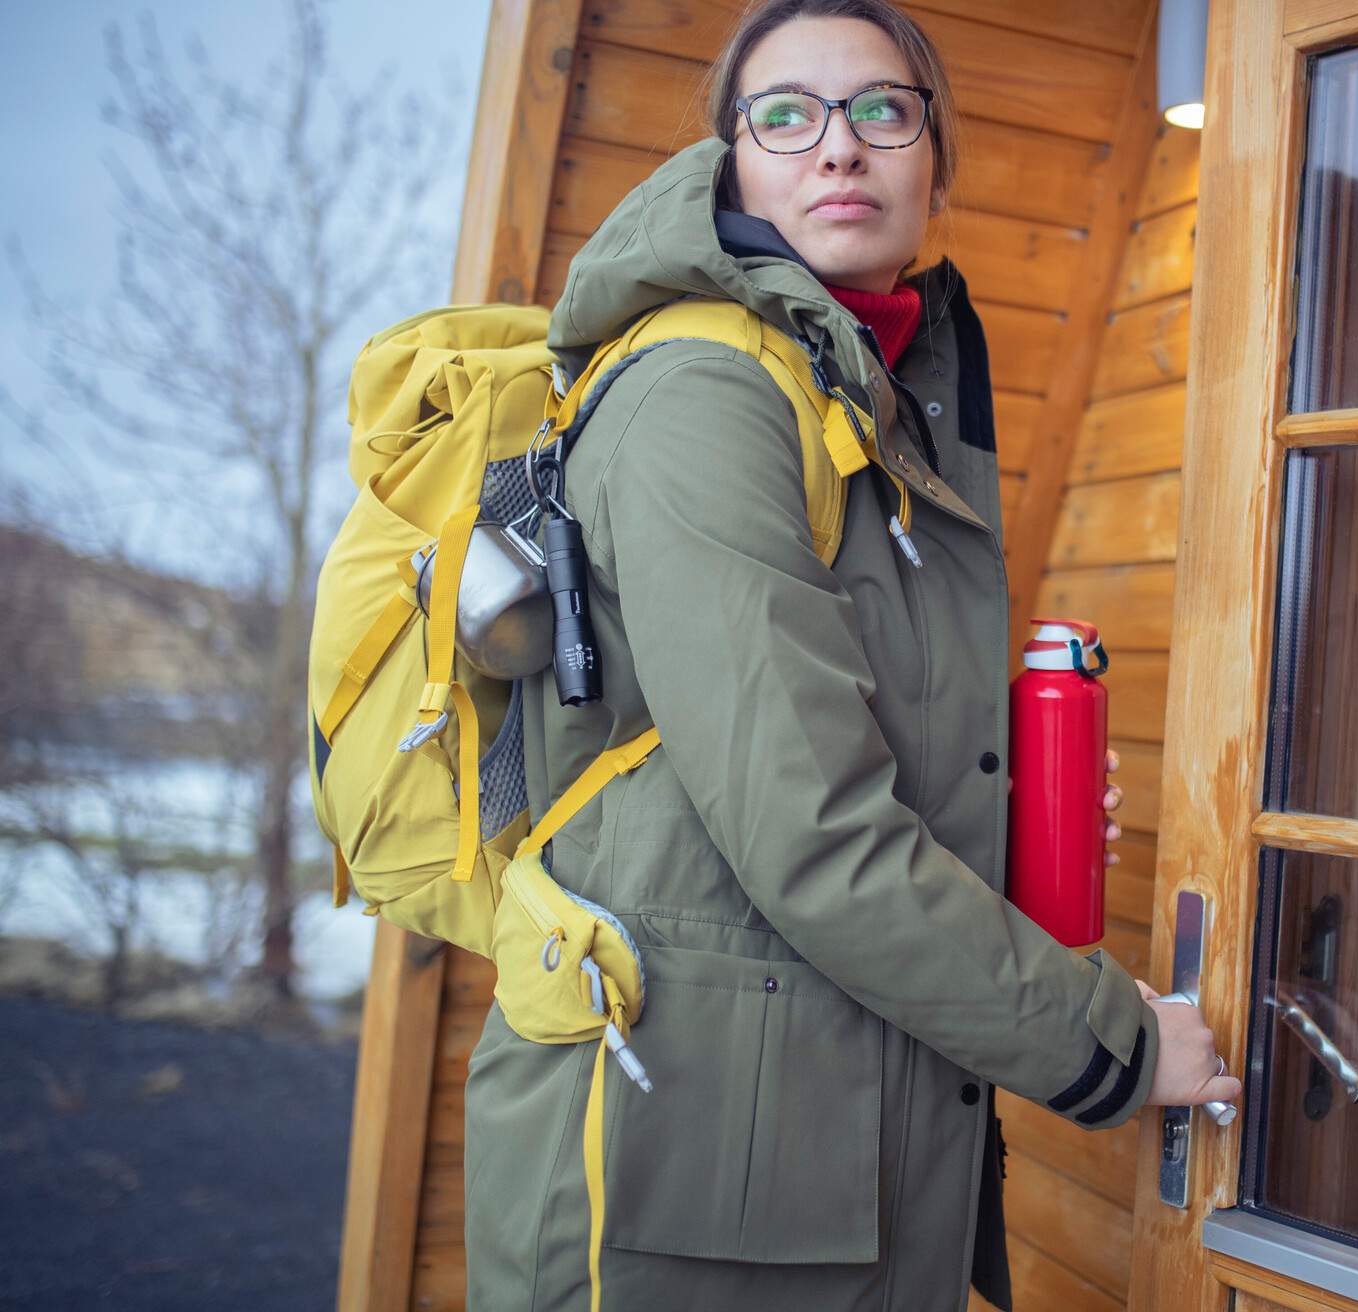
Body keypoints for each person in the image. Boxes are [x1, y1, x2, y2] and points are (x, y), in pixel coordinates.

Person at [461, 2, 1241, 1308]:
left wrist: (990, 783)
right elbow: (806, 827)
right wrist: (1110, 1043)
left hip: (827, 1155)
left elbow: (807, 743)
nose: (839, 149)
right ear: (731, 163)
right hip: (686, 1174)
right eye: (787, 116)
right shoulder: (706, 396)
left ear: (936, 160)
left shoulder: (864, 401)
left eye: (883, 110)